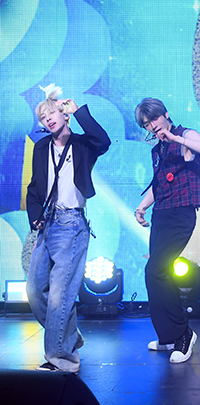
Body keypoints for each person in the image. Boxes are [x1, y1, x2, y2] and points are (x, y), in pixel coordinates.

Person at [26, 84, 111, 373]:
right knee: (35, 291)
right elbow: (34, 188)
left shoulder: (82, 145)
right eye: (42, 117)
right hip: (48, 224)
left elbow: (103, 141)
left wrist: (78, 110)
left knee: (60, 296)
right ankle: (68, 336)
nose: (47, 119)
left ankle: (62, 359)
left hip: (72, 224)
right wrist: (35, 219)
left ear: (64, 115)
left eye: (51, 113)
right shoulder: (41, 148)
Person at [134, 98, 200, 364]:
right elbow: (158, 185)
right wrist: (142, 206)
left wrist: (176, 139)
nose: (152, 126)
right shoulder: (158, 149)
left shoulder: (185, 135)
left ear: (166, 115)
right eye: (146, 124)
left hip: (181, 214)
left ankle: (184, 334)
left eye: (154, 119)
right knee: (156, 274)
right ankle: (168, 336)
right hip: (161, 214)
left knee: (156, 270)